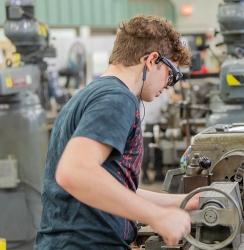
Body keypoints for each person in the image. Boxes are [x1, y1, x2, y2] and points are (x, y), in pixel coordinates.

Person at [34, 14, 200, 249]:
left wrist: (187, 201)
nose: (168, 84)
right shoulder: (117, 98)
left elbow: (115, 190)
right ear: (152, 60)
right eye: (170, 74)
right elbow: (74, 172)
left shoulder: (86, 96)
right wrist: (157, 217)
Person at [140, 91, 170, 184]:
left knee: (159, 149)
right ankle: (144, 175)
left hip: (158, 122)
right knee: (146, 151)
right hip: (146, 122)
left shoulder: (163, 92)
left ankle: (159, 173)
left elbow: (164, 106)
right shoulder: (149, 91)